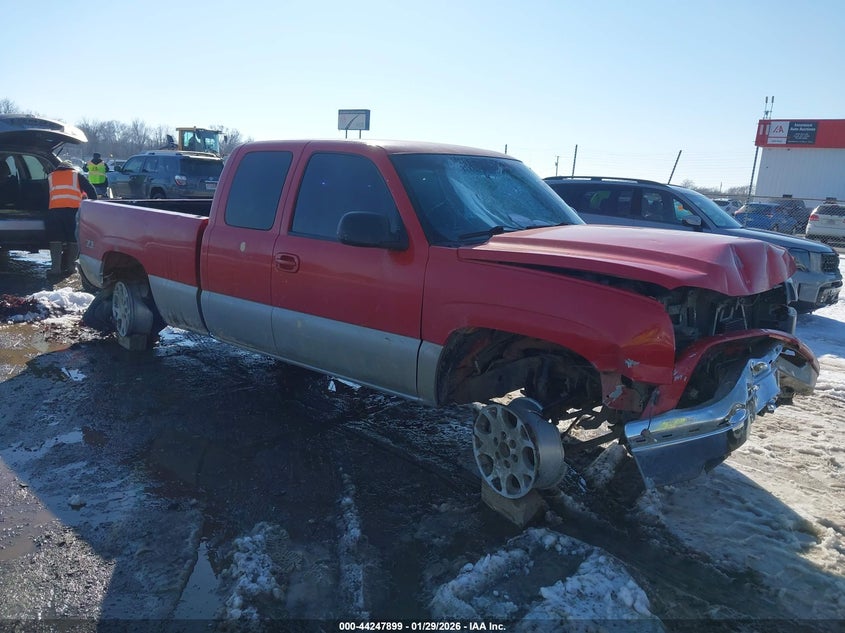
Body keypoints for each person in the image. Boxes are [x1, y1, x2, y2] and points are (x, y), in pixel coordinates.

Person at [47, 161, 97, 278]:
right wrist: (93, 205)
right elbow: (91, 190)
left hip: (55, 211)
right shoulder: (77, 175)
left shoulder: (51, 176)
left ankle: (55, 269)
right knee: (72, 238)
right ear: (70, 167)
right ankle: (71, 267)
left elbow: (44, 194)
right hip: (73, 211)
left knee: (56, 239)